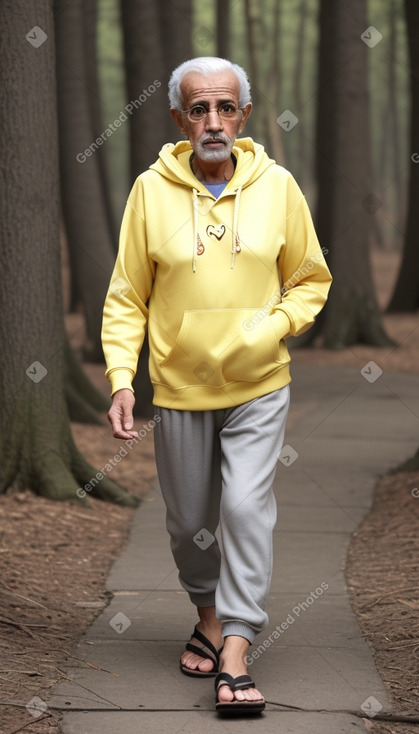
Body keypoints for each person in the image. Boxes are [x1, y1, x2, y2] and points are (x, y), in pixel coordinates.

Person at [102, 56, 332, 716]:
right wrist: (122, 378)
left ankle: (234, 645)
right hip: (178, 389)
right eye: (198, 109)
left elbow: (310, 279)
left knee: (242, 509)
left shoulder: (278, 186)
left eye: (224, 107)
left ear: (244, 116)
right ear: (178, 118)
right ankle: (206, 613)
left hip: (258, 384)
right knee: (188, 526)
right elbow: (126, 297)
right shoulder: (150, 191)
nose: (212, 121)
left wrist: (272, 328)